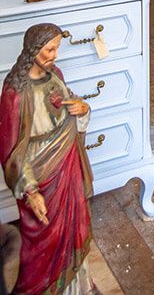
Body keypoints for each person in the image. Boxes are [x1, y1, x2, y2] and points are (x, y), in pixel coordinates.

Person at [0, 24, 99, 295]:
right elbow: (10, 151)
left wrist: (83, 107)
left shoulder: (55, 74)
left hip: (68, 164)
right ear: (33, 50)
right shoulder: (15, 93)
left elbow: (68, 103)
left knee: (75, 227)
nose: (55, 55)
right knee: (45, 238)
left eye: (57, 48)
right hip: (40, 175)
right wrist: (30, 191)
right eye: (50, 49)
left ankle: (77, 286)